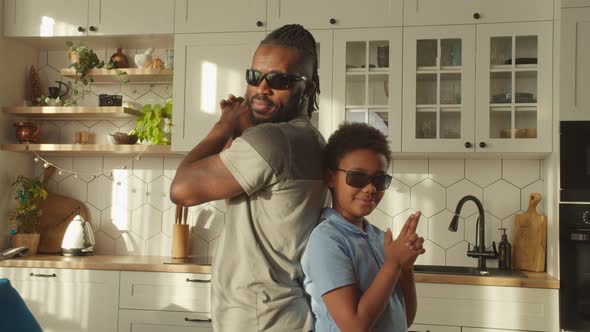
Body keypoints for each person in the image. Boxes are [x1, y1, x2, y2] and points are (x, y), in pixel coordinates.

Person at [170, 24, 326, 332]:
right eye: (254, 77)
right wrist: (242, 132)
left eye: (279, 79)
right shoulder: (309, 140)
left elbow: (182, 191)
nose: (262, 88)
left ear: (308, 88)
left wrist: (224, 125)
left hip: (259, 319)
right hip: (279, 314)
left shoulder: (273, 140)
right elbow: (236, 201)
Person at [301, 122, 425, 332]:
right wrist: (393, 264)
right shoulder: (327, 240)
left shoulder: (377, 237)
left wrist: (406, 268)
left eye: (379, 179)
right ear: (331, 177)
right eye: (357, 177)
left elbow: (405, 318)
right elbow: (354, 327)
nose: (370, 188)